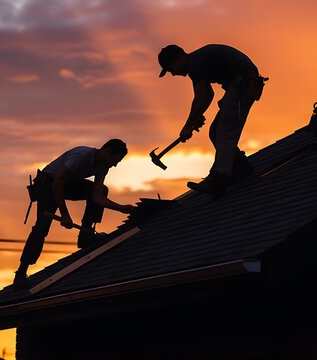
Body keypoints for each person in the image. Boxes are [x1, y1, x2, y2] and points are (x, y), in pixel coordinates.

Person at [14, 139, 135, 287]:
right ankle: (21, 273)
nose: (115, 165)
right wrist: (65, 215)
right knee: (41, 227)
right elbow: (57, 184)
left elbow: (97, 196)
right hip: (49, 183)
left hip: (66, 183)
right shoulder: (81, 156)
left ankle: (86, 235)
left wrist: (121, 208)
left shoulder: (103, 167)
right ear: (107, 151)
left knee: (103, 189)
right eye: (115, 160)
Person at [157, 44, 266, 197]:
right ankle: (240, 166)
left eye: (171, 68)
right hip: (240, 83)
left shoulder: (195, 63)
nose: (173, 74)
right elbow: (208, 95)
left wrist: (188, 125)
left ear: (180, 57)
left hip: (243, 83)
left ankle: (218, 179)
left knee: (225, 131)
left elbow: (201, 98)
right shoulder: (197, 62)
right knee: (215, 131)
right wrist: (195, 118)